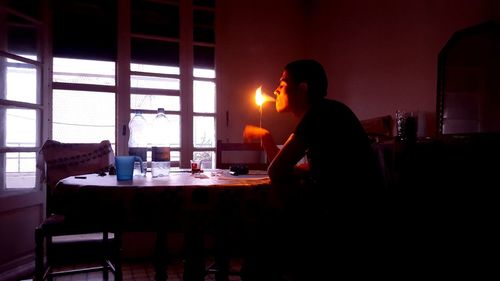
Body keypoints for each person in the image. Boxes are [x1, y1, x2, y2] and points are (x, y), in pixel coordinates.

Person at [241, 59, 386, 280]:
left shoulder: (318, 114)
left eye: (282, 83)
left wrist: (267, 138)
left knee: (260, 226)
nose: (275, 90)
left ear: (302, 88)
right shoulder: (328, 111)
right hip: (352, 210)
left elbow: (276, 171)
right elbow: (316, 167)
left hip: (343, 219)